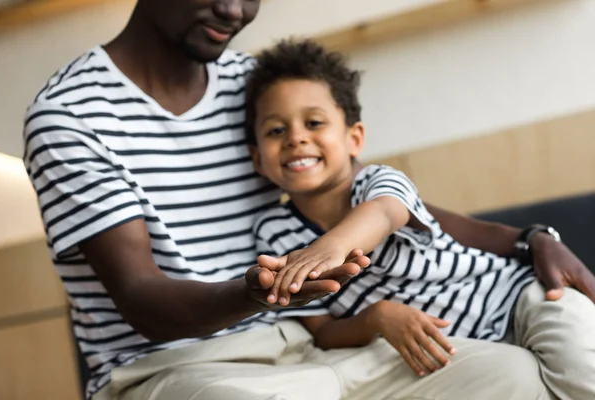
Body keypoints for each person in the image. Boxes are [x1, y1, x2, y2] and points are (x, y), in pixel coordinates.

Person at [21, 1, 593, 399]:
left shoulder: (254, 85)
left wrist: (530, 237)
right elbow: (144, 302)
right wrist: (258, 292)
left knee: (512, 377)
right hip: (176, 371)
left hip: (311, 347)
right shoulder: (71, 118)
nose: (235, 11)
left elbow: (378, 199)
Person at [249, 39, 595, 400]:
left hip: (519, 299)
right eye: (276, 130)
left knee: (583, 375)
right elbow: (321, 330)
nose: (296, 138)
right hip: (463, 351)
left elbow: (384, 213)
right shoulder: (273, 232)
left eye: (314, 122)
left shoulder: (381, 182)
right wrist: (376, 317)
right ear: (257, 159)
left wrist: (330, 248)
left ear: (355, 138)